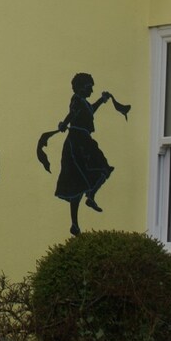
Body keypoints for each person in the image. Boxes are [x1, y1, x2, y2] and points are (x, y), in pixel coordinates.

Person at [54, 73, 116, 236]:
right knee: (78, 182)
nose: (92, 90)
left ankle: (90, 197)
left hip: (85, 140)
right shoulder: (76, 99)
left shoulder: (84, 103)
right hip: (77, 141)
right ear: (82, 87)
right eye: (90, 87)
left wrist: (102, 101)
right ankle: (75, 223)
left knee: (103, 169)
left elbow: (89, 111)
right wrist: (64, 123)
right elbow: (73, 113)